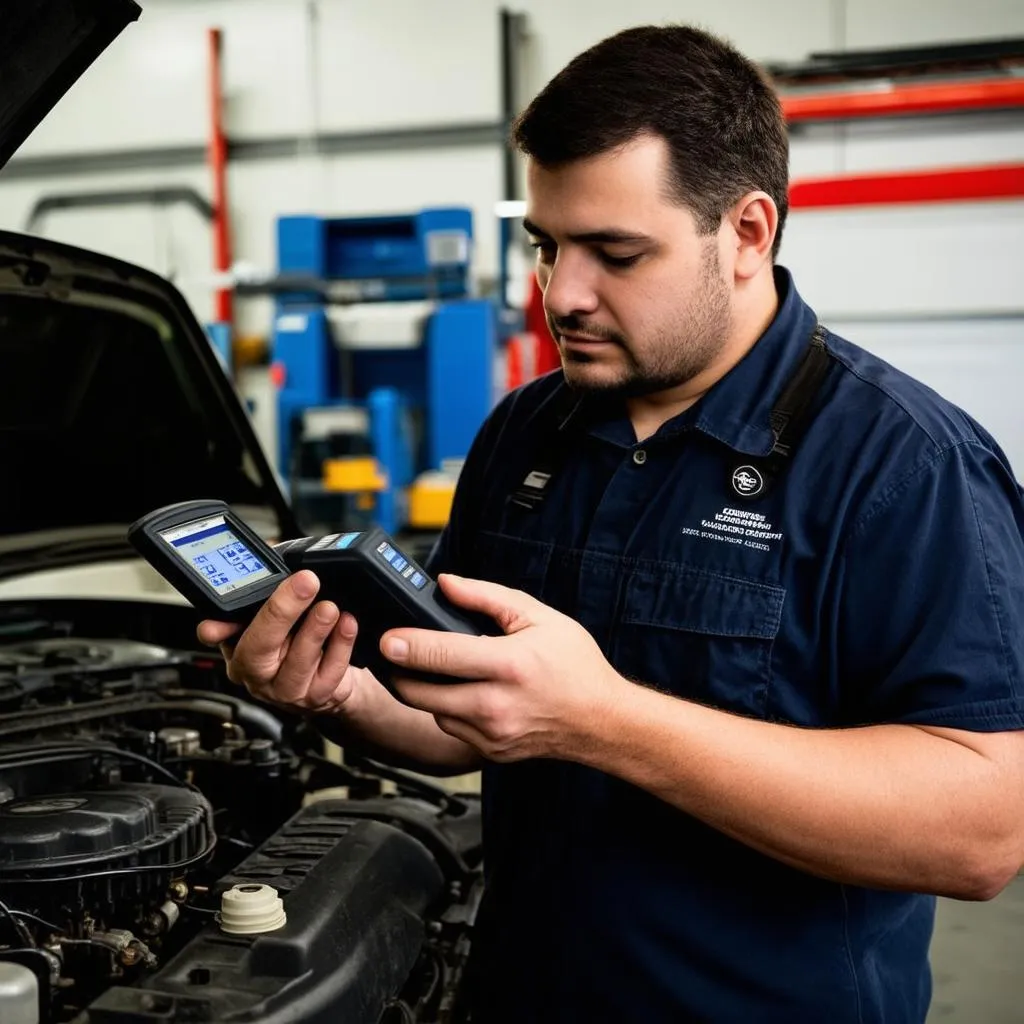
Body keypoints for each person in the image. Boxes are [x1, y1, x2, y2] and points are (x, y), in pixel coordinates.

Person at [199, 24, 1024, 1024]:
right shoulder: (523, 432)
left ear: (748, 233)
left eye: (615, 252)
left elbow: (984, 830)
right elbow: (470, 724)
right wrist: (336, 689)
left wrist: (605, 722)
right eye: (545, 244)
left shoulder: (904, 466)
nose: (561, 293)